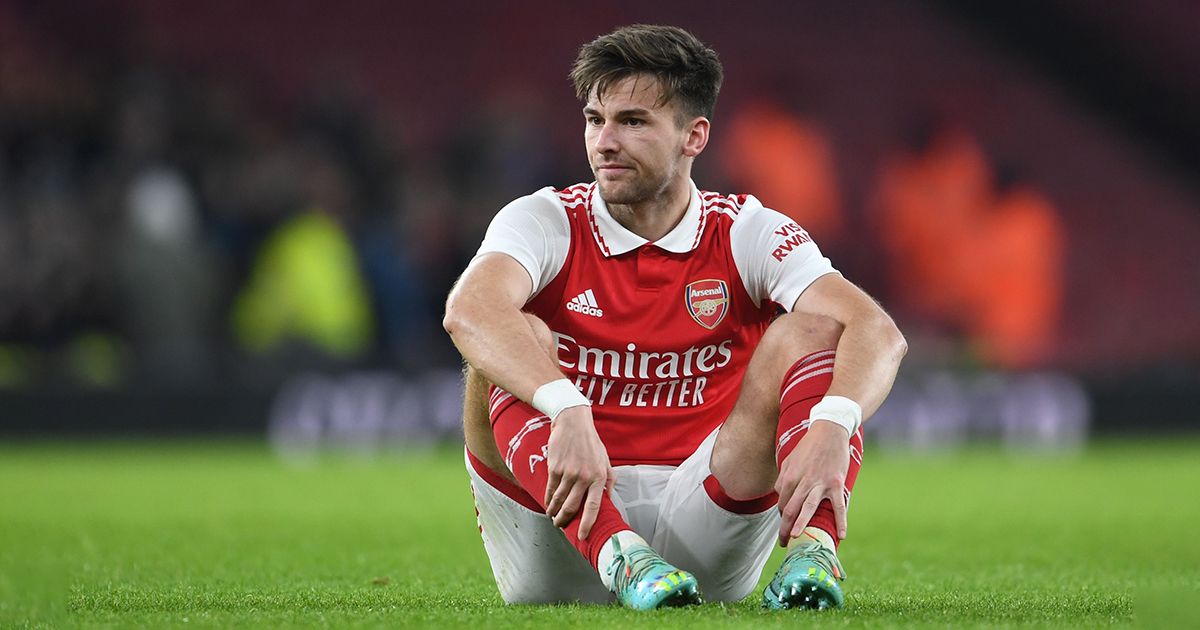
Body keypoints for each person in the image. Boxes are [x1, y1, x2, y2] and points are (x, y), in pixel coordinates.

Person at [443, 24, 906, 611]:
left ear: (694, 136)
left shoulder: (746, 231)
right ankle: (619, 553)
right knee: (514, 335)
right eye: (594, 120)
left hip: (706, 514)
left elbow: (878, 332)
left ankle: (813, 553)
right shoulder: (544, 219)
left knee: (814, 329)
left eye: (632, 122)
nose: (605, 142)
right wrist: (565, 404)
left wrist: (835, 424)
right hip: (561, 526)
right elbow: (469, 310)